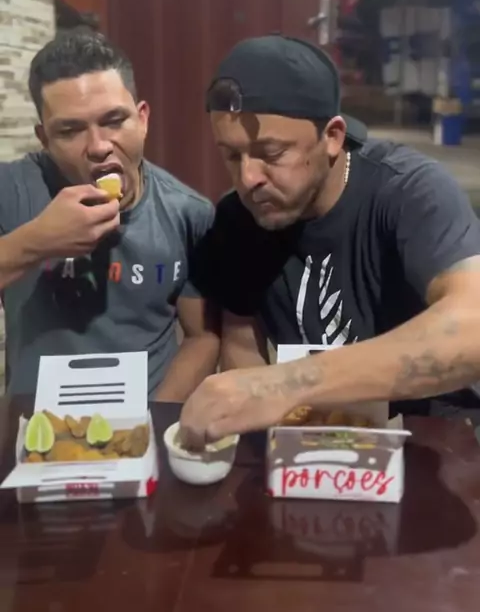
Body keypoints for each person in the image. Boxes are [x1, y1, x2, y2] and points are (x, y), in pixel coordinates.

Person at [180, 34, 480, 445]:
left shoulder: (409, 191)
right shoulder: (238, 219)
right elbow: (241, 341)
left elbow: (472, 327)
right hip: (311, 447)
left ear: (333, 136)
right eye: (232, 155)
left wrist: (287, 384)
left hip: (435, 440)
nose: (248, 178)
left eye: (271, 153)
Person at [0, 28, 219, 399]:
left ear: (142, 119)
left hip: (145, 415)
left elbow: (203, 337)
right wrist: (35, 243)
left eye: (114, 121)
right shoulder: (11, 190)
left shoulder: (188, 212)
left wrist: (153, 418)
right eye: (70, 130)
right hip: (35, 423)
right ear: (44, 139)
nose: (99, 146)